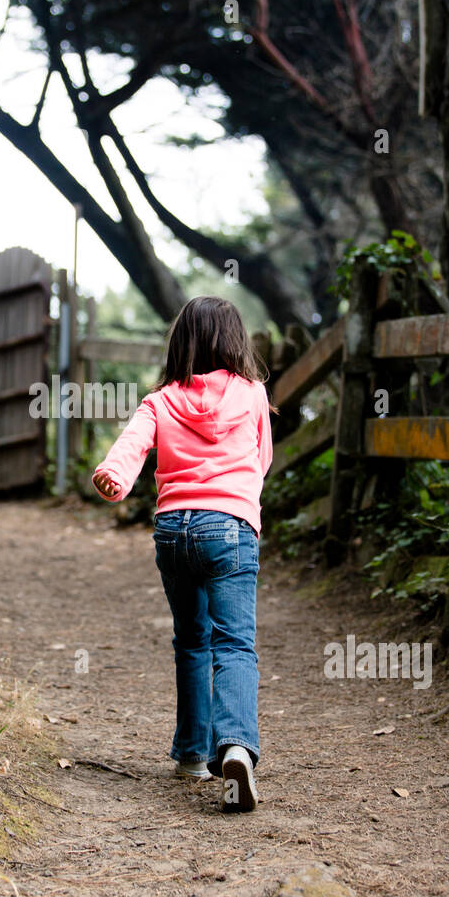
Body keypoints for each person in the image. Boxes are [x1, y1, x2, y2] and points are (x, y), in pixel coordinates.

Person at [92, 296, 273, 813]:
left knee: (192, 641)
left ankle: (193, 755)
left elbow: (131, 446)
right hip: (231, 528)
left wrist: (116, 477)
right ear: (235, 341)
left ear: (181, 343)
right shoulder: (253, 394)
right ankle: (235, 746)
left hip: (174, 530)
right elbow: (261, 462)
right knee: (234, 643)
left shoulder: (161, 399)